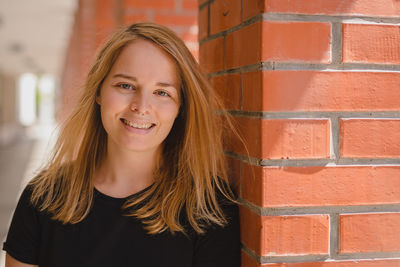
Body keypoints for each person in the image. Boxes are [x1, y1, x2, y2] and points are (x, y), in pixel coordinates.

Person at [3, 22, 241, 267]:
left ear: (181, 108)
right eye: (125, 85)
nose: (141, 105)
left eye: (162, 92)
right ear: (99, 91)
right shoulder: (43, 196)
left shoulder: (209, 208)